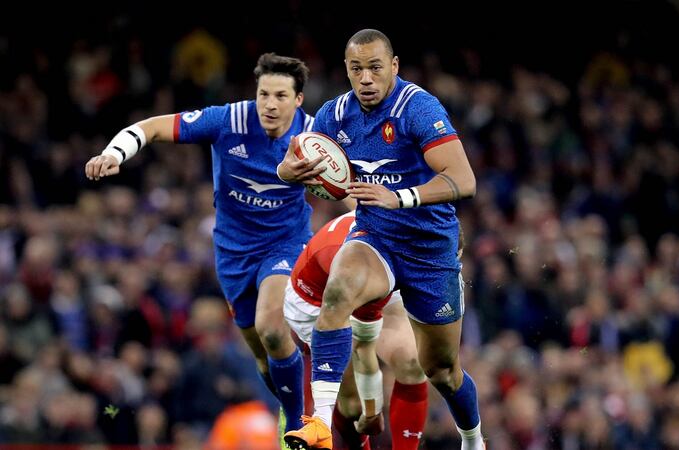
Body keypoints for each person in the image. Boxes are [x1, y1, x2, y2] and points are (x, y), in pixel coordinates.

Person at [84, 53, 327, 435]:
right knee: (262, 357)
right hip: (233, 253)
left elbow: (351, 180)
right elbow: (151, 128)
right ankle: (289, 409)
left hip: (285, 244)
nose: (269, 104)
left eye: (281, 96)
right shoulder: (228, 120)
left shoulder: (315, 136)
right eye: (264, 94)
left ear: (298, 100)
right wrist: (114, 153)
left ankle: (298, 426)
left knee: (272, 327)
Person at [280, 29, 484, 450]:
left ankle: (473, 439)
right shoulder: (336, 114)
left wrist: (400, 197)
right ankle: (319, 422)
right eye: (357, 69)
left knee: (441, 371)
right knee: (339, 293)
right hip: (375, 237)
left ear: (394, 66)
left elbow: (464, 180)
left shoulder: (417, 108)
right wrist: (288, 171)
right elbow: (297, 159)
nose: (366, 78)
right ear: (347, 71)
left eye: (375, 67)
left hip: (429, 250)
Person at [283, 211, 430, 450]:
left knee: (412, 361)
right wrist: (372, 411)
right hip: (312, 301)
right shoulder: (360, 271)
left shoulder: (398, 232)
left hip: (366, 272)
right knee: (353, 406)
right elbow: (364, 350)